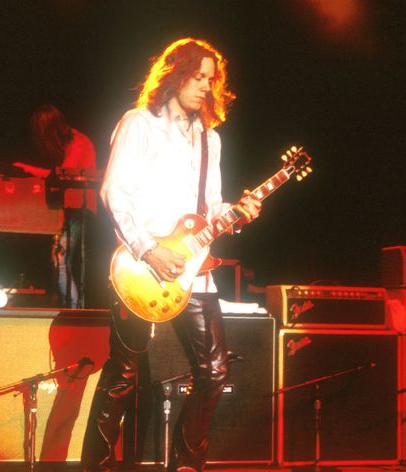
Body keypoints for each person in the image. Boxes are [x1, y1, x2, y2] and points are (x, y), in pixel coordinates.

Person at [81, 38, 261, 472]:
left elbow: (209, 207)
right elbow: (115, 193)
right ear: (175, 75)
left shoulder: (209, 139)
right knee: (124, 375)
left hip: (193, 272)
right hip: (142, 267)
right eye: (198, 77)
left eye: (211, 80)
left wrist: (236, 213)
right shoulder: (139, 123)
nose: (205, 87)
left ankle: (188, 463)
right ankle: (97, 466)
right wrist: (148, 249)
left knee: (214, 371)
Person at [13, 104, 97, 308]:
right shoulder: (72, 142)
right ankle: (71, 308)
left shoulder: (78, 142)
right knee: (59, 261)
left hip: (79, 208)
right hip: (69, 209)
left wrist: (27, 169)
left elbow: (63, 175)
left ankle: (75, 312)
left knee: (61, 261)